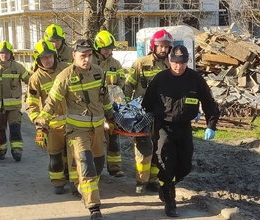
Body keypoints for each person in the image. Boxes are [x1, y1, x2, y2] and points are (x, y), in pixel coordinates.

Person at [34, 39, 113, 220]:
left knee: (98, 164)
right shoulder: (65, 76)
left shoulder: (98, 72)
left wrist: (111, 116)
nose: (87, 60)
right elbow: (51, 102)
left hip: (98, 130)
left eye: (89, 56)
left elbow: (105, 97)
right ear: (74, 56)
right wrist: (41, 123)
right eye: (82, 56)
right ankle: (94, 207)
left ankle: (80, 187)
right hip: (77, 131)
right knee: (86, 164)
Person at [142, 45, 220, 217]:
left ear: (187, 62)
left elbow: (208, 102)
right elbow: (146, 103)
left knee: (184, 165)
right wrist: (145, 123)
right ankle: (170, 200)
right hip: (163, 126)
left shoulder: (195, 79)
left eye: (182, 63)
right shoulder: (160, 79)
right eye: (175, 63)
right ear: (170, 61)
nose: (178, 67)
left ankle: (167, 186)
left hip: (184, 127)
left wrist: (211, 124)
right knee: (166, 163)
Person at [124, 29, 173, 193]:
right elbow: (128, 86)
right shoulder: (140, 63)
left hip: (162, 114)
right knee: (144, 148)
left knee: (160, 149)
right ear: (154, 46)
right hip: (143, 114)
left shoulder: (170, 65)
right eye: (161, 46)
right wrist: (127, 108)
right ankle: (141, 182)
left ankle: (153, 180)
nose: (164, 50)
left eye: (167, 47)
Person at [27, 39, 78, 194]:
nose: (47, 60)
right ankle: (58, 182)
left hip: (73, 123)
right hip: (52, 126)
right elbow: (32, 104)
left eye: (50, 56)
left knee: (75, 157)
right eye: (44, 58)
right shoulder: (35, 78)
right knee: (55, 158)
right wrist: (38, 124)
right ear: (38, 59)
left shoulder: (67, 69)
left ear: (55, 55)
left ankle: (77, 185)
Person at [92, 30, 126, 177]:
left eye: (110, 48)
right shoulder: (90, 62)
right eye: (106, 48)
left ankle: (115, 167)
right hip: (94, 108)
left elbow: (121, 84)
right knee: (95, 139)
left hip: (111, 107)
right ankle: (94, 168)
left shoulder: (116, 64)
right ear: (98, 47)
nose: (108, 51)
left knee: (113, 136)